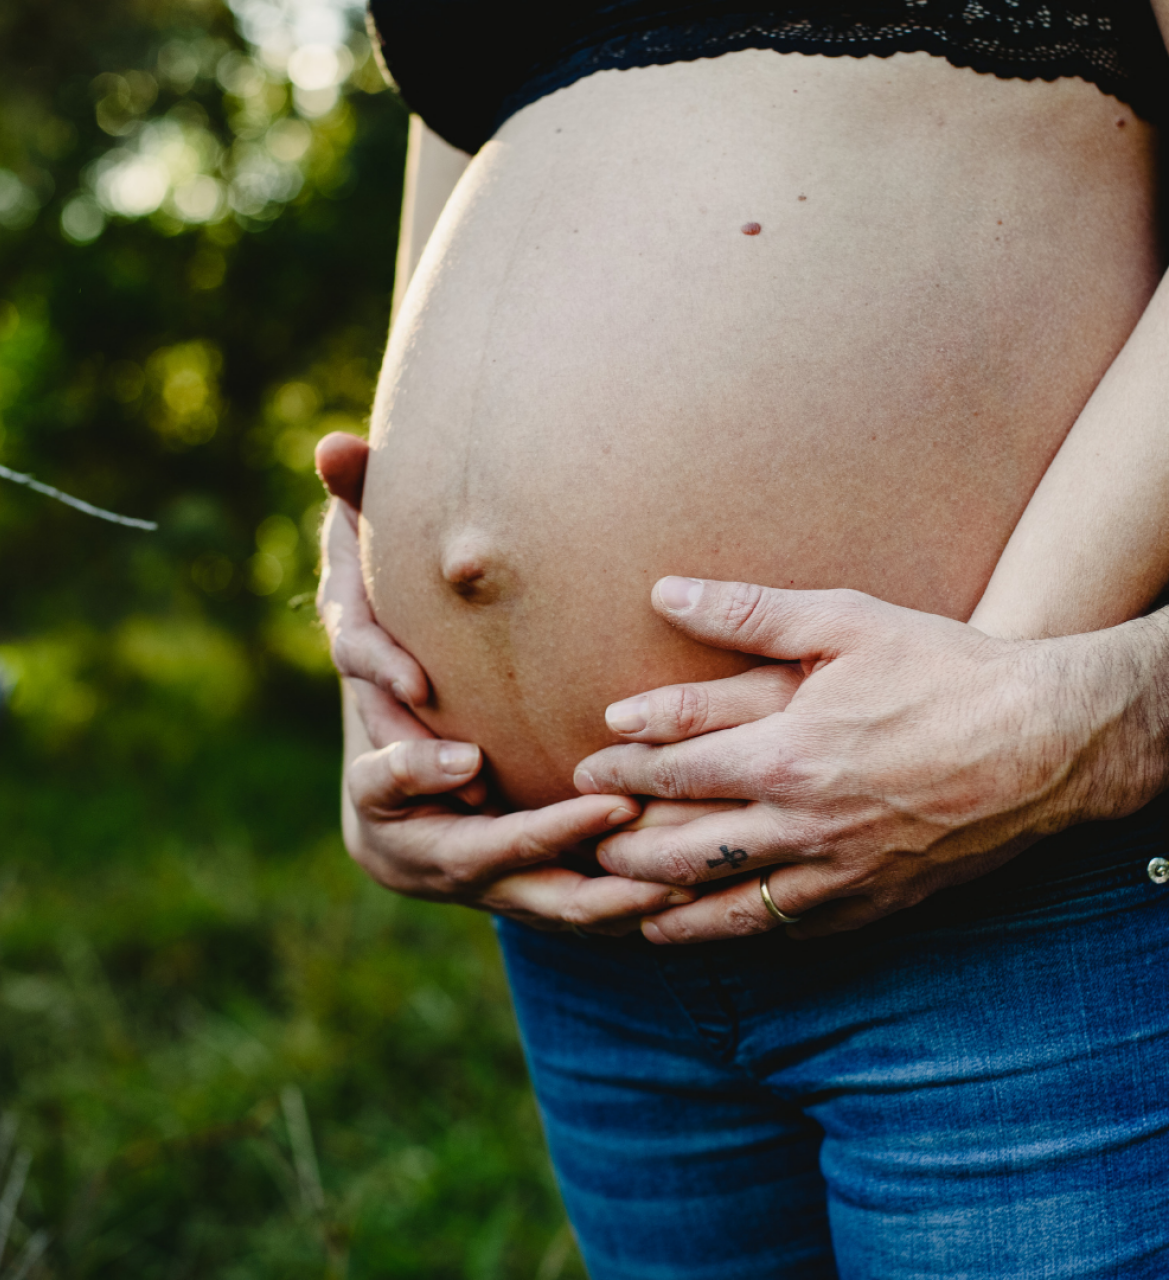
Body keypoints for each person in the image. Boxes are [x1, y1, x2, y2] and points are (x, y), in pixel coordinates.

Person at [318, 3, 1169, 1274]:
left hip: (1012, 900)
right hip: (587, 945)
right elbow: (443, 260)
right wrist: (375, 663)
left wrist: (1022, 714)